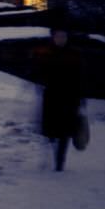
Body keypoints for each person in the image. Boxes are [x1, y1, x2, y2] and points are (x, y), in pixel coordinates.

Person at [40, 28, 83, 172]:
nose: (60, 39)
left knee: (65, 131)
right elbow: (38, 73)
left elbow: (81, 76)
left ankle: (60, 161)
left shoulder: (74, 54)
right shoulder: (46, 53)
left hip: (70, 98)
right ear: (53, 37)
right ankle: (54, 149)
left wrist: (81, 96)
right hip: (51, 98)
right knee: (52, 132)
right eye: (58, 36)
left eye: (63, 36)